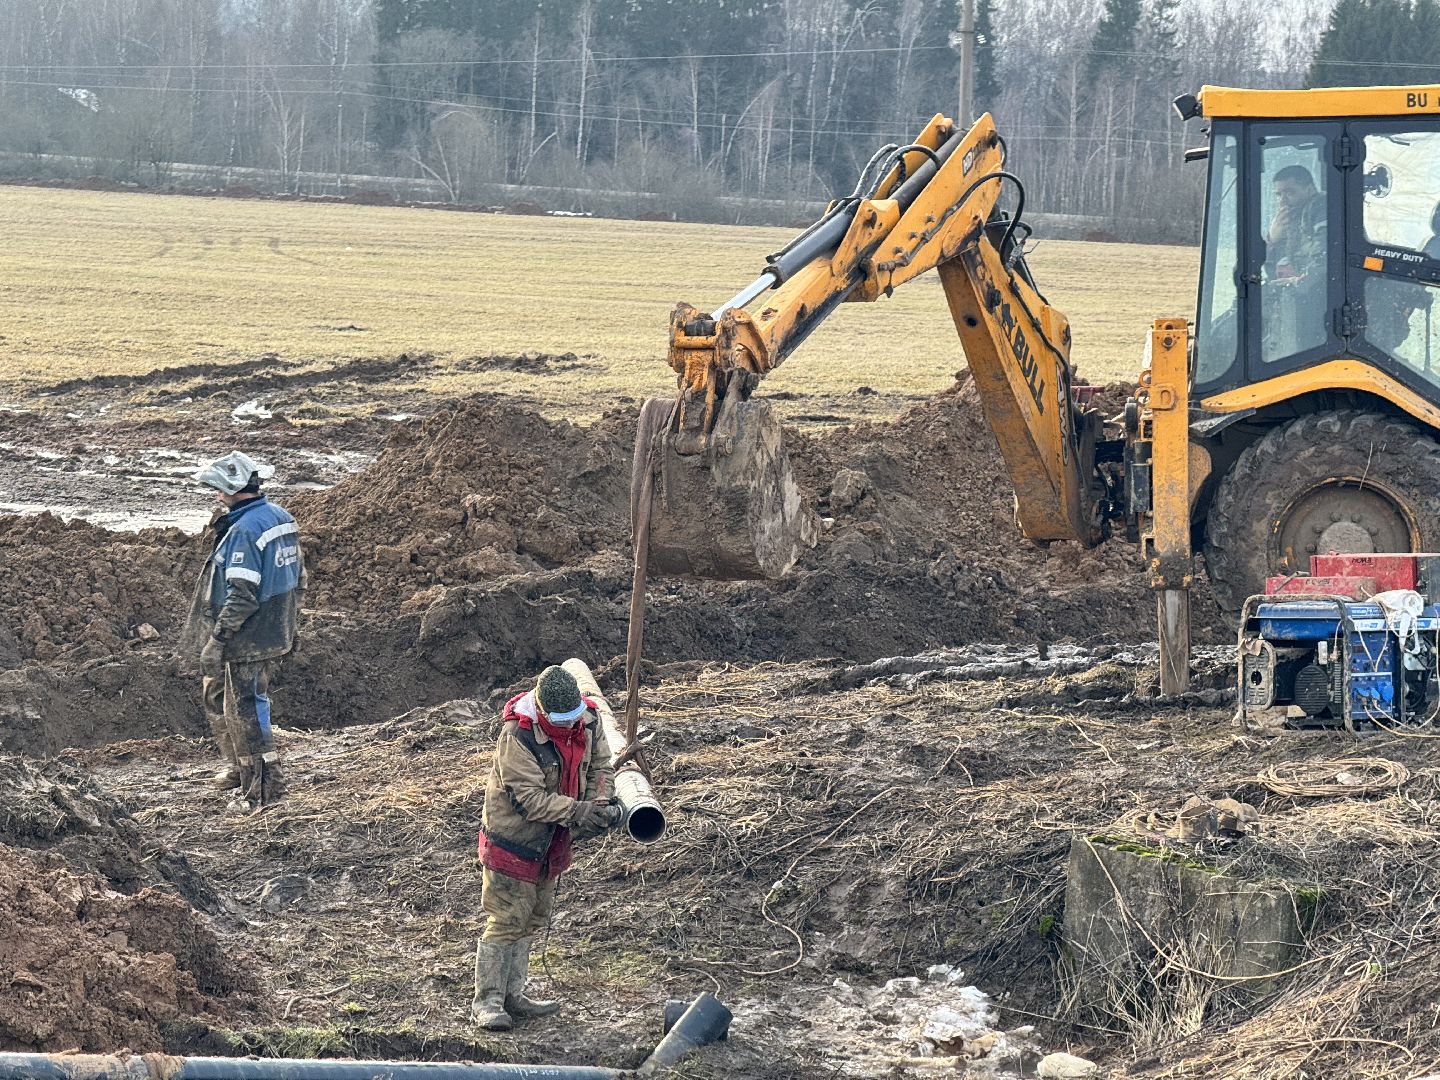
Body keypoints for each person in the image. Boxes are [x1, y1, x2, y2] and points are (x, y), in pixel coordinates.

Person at [472, 664, 620, 1030]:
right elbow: (530, 800)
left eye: (575, 716)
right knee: (506, 919)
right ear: (541, 711)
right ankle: (487, 1002)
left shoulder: (588, 719)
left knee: (534, 917)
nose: (572, 725)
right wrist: (578, 812)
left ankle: (513, 995)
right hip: (514, 842)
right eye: (562, 719)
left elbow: (601, 764)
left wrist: (600, 802)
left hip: (551, 841)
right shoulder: (516, 737)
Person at [185, 451, 304, 805]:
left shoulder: (244, 531)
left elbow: (243, 595)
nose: (216, 497)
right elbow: (299, 578)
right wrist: (291, 624)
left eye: (219, 490)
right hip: (273, 625)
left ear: (232, 490)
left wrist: (219, 639)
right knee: (221, 697)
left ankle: (263, 791)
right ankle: (239, 767)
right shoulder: (280, 517)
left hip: (247, 636)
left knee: (246, 710)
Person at [1267, 164, 1326, 281]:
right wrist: (1272, 241)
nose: (1282, 200)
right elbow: (1274, 274)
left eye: (1290, 193)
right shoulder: (1288, 222)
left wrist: (1298, 280)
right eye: (1279, 195)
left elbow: (1325, 258)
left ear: (1310, 189)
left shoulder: (1323, 207)